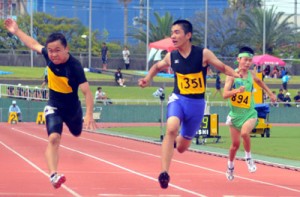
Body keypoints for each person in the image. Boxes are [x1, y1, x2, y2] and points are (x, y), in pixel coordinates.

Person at [138, 19, 241, 189]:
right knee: (171, 128)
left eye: (177, 32)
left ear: (188, 35)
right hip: (178, 99)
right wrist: (147, 79)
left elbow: (222, 67)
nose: (173, 36)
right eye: (172, 32)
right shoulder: (171, 56)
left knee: (181, 148)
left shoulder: (203, 54)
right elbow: (157, 67)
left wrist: (237, 76)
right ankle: (164, 172)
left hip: (197, 104)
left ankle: (175, 143)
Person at [4, 18, 96, 189]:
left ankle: (76, 124)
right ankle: (53, 175)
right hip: (54, 104)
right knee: (54, 138)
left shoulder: (75, 67)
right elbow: (33, 44)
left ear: (66, 48)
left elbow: (87, 92)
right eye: (51, 51)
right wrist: (16, 31)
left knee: (76, 132)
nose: (53, 54)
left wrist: (89, 114)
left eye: (58, 51)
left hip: (72, 107)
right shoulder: (48, 55)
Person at [223, 46, 276, 181]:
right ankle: (230, 166)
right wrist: (237, 91)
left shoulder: (252, 75)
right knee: (234, 145)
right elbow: (224, 94)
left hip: (249, 113)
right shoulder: (231, 76)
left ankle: (248, 158)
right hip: (235, 115)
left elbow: (260, 82)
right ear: (238, 60)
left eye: (250, 61)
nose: (247, 63)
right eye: (245, 60)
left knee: (245, 133)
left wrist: (270, 94)